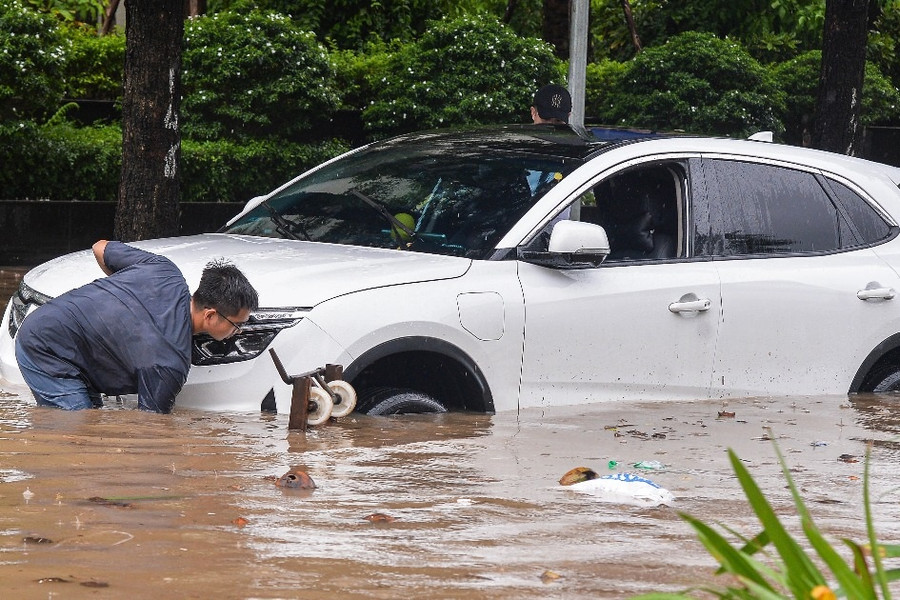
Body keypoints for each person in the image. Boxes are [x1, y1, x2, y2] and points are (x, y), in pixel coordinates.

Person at [14, 240, 259, 414]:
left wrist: (121, 297)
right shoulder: (170, 362)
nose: (239, 332)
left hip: (48, 325)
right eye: (236, 325)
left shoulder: (164, 270)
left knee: (93, 418)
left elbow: (100, 247)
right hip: (43, 348)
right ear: (211, 315)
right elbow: (150, 428)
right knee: (80, 432)